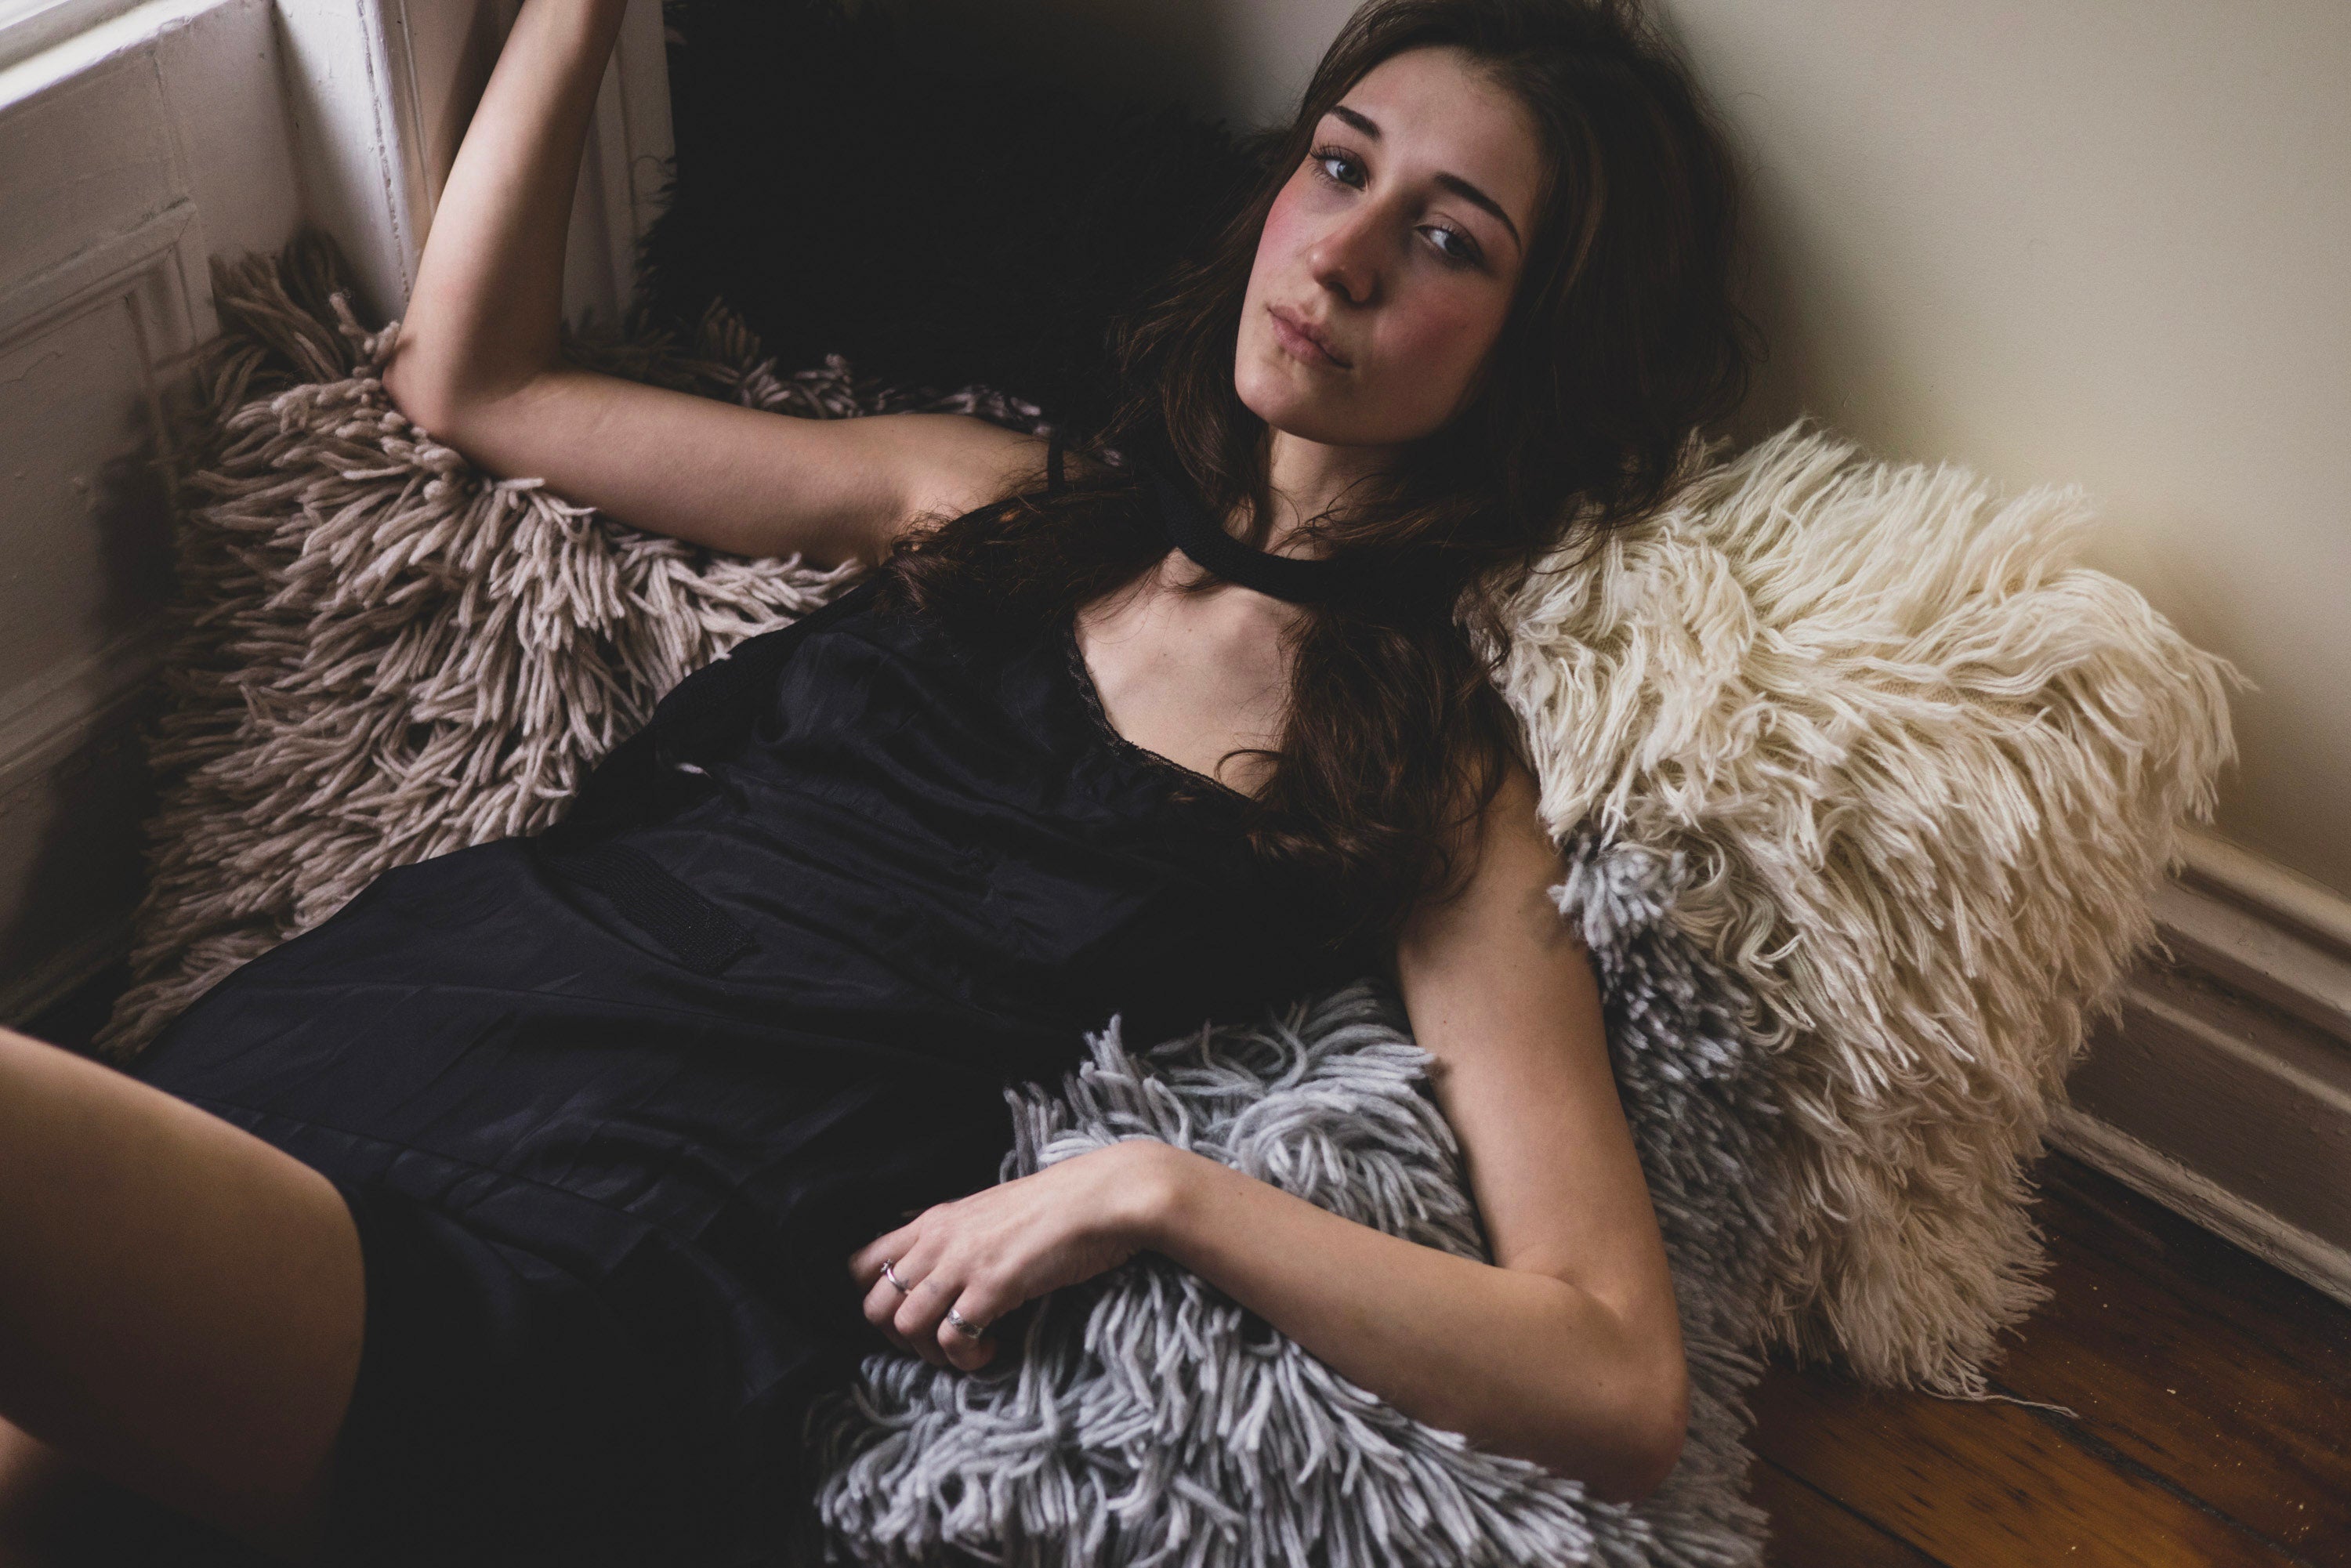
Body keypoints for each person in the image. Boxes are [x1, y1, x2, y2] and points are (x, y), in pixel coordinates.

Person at [0, 0, 1753, 1560]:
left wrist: (1163, 1190)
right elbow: (472, 380)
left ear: (1541, 348)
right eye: (1339, 165)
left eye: (1447, 240)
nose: (1348, 252)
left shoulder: (1422, 771)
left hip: (618, 1230)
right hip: (400, 1009)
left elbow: (1613, 1371)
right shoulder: (991, 495)